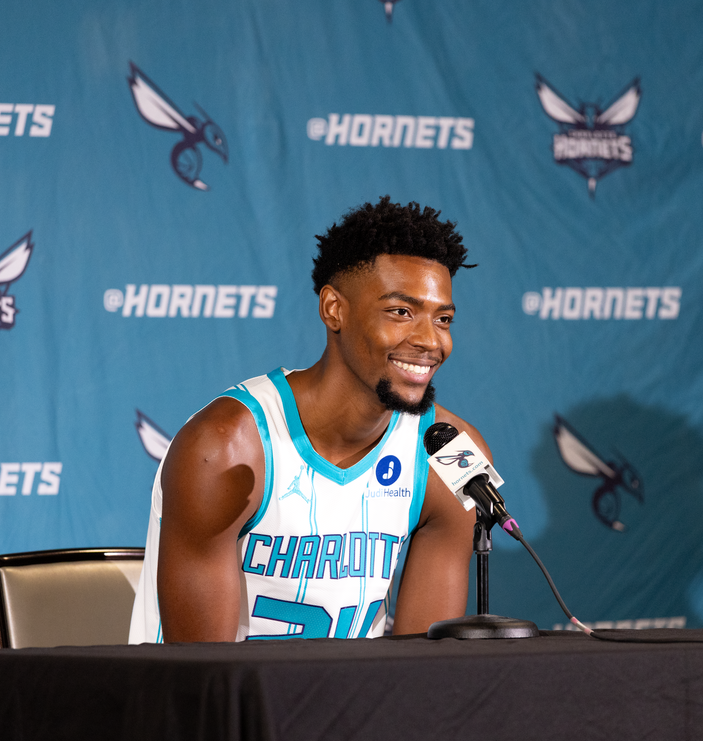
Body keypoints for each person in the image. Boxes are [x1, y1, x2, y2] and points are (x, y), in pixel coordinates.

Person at [129, 196, 493, 643]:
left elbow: (420, 675)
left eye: (443, 319)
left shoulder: (449, 456)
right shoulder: (227, 446)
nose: (430, 341)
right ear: (333, 310)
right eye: (401, 312)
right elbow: (205, 683)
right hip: (224, 708)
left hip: (357, 710)